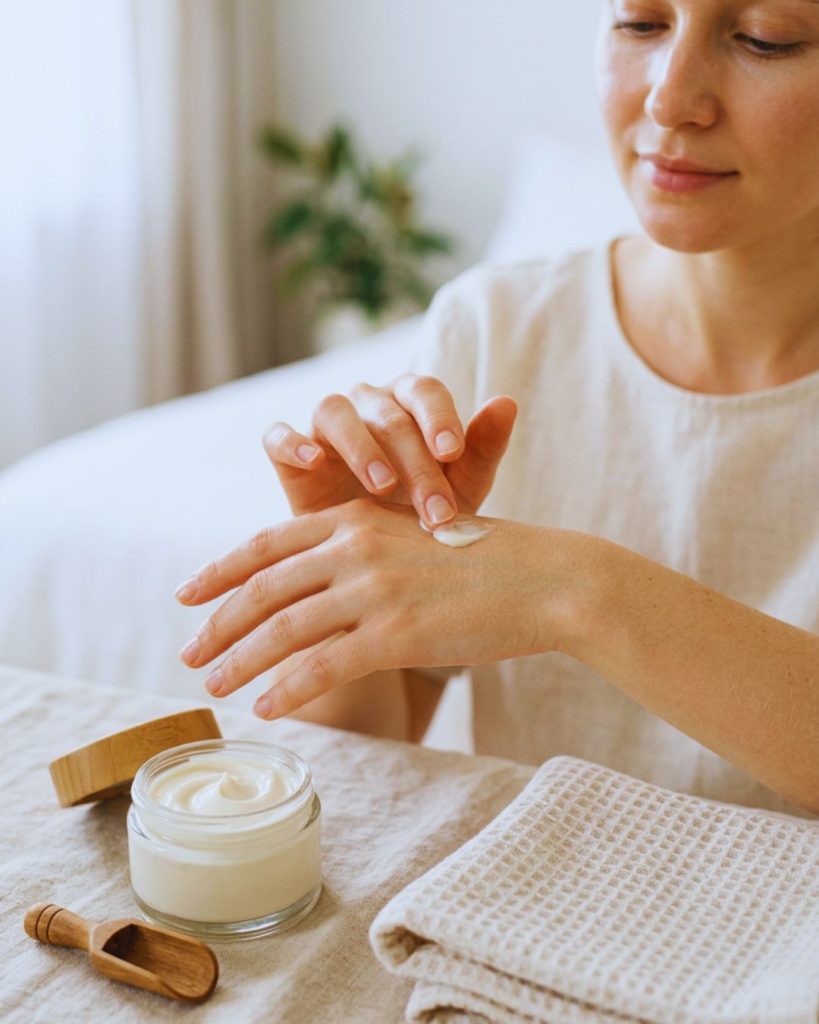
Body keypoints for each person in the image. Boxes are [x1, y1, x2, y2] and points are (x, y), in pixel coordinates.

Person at [175, 0, 819, 816]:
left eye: (766, 38)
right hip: (522, 928)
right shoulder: (497, 329)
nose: (668, 98)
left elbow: (568, 590)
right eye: (639, 24)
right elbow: (364, 769)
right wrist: (348, 599)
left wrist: (574, 591)